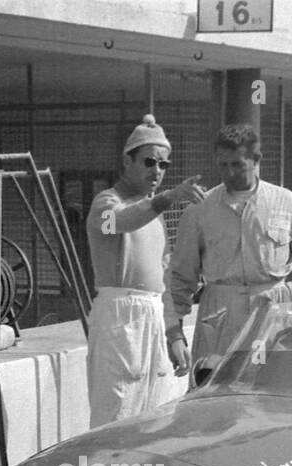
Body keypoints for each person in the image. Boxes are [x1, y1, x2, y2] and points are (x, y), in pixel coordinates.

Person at [167, 123, 292, 371]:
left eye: (237, 164)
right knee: (215, 393)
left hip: (272, 318)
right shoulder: (199, 210)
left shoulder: (288, 203)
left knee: (269, 392)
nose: (229, 173)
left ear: (256, 159)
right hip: (219, 319)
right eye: (223, 165)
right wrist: (174, 333)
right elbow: (181, 278)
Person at [84, 115, 205, 426]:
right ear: (128, 161)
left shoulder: (154, 213)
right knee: (115, 412)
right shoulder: (106, 204)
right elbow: (120, 222)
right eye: (150, 162)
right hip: (118, 318)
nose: (157, 171)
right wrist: (169, 198)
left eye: (163, 165)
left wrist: (173, 333)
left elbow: (164, 277)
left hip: (152, 318)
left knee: (154, 415)